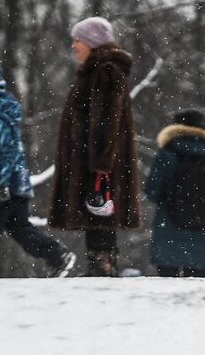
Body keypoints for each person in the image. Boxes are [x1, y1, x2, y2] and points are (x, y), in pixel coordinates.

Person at [48, 17, 141, 277]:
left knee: (99, 210)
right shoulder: (97, 70)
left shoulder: (105, 71)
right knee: (96, 211)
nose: (73, 46)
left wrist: (100, 164)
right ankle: (100, 265)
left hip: (98, 160)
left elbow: (106, 120)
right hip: (94, 158)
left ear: (91, 43)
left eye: (78, 40)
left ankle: (102, 266)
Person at [0, 66, 75, 278]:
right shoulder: (2, 117)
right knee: (20, 230)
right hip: (18, 185)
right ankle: (57, 255)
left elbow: (7, 151)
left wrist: (1, 184)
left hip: (1, 187)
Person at [144, 109, 205, 277]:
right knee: (196, 291)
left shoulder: (166, 154)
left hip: (167, 229)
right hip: (200, 230)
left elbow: (152, 192)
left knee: (168, 292)